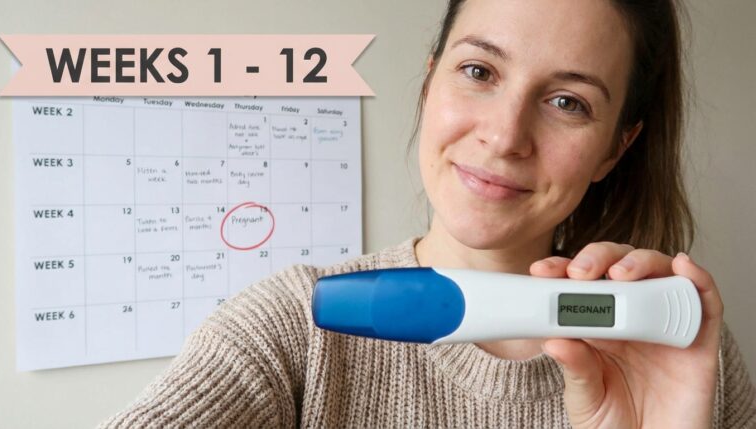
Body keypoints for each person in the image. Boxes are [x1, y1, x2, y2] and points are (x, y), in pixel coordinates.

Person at [101, 0, 756, 427]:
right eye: (479, 70)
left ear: (616, 146)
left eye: (567, 103)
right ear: (430, 80)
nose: (504, 136)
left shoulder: (682, 347)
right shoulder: (294, 330)